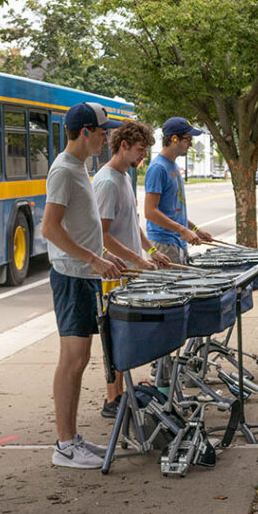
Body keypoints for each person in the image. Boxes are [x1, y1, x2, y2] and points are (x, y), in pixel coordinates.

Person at [42, 102, 126, 469]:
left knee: (81, 359)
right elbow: (50, 228)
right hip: (72, 277)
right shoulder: (63, 171)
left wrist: (105, 258)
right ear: (85, 131)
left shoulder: (80, 168)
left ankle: (72, 438)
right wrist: (93, 259)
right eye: (103, 131)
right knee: (72, 361)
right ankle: (63, 446)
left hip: (87, 275)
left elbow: (86, 228)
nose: (107, 138)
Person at [93, 119, 172, 418]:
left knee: (125, 336)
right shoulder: (107, 182)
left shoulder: (124, 177)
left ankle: (122, 393)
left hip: (128, 269)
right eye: (140, 150)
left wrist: (149, 250)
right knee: (114, 338)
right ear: (123, 145)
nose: (143, 157)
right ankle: (113, 400)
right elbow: (101, 234)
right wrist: (136, 260)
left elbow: (131, 223)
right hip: (113, 273)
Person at [144, 117, 214, 264]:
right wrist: (183, 231)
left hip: (177, 242)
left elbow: (173, 209)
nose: (190, 144)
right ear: (174, 139)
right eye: (188, 139)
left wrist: (195, 229)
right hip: (164, 244)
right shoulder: (158, 168)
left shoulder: (173, 166)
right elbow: (150, 212)